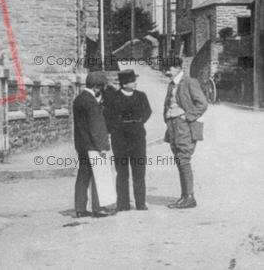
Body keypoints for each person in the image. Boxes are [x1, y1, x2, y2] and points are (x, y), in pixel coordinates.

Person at [104, 69, 152, 211]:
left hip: (138, 138)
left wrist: (139, 122)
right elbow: (107, 116)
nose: (135, 83)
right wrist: (117, 128)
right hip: (120, 140)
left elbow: (148, 111)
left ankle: (140, 203)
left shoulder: (141, 96)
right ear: (124, 84)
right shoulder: (113, 97)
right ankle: (123, 204)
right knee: (122, 172)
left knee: (139, 171)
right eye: (132, 81)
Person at [163, 58, 207, 209]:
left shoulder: (190, 82)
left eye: (168, 69)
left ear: (177, 68)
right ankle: (185, 196)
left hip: (185, 127)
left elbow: (202, 104)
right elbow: (168, 103)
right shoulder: (171, 84)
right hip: (173, 126)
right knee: (179, 159)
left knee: (183, 159)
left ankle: (189, 197)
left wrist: (186, 116)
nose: (166, 72)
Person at [73, 71, 115, 218]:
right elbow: (95, 127)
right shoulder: (91, 102)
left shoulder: (78, 99)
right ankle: (98, 209)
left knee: (83, 176)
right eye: (102, 88)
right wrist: (102, 147)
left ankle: (80, 208)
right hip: (93, 146)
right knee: (99, 176)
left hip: (82, 145)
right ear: (97, 87)